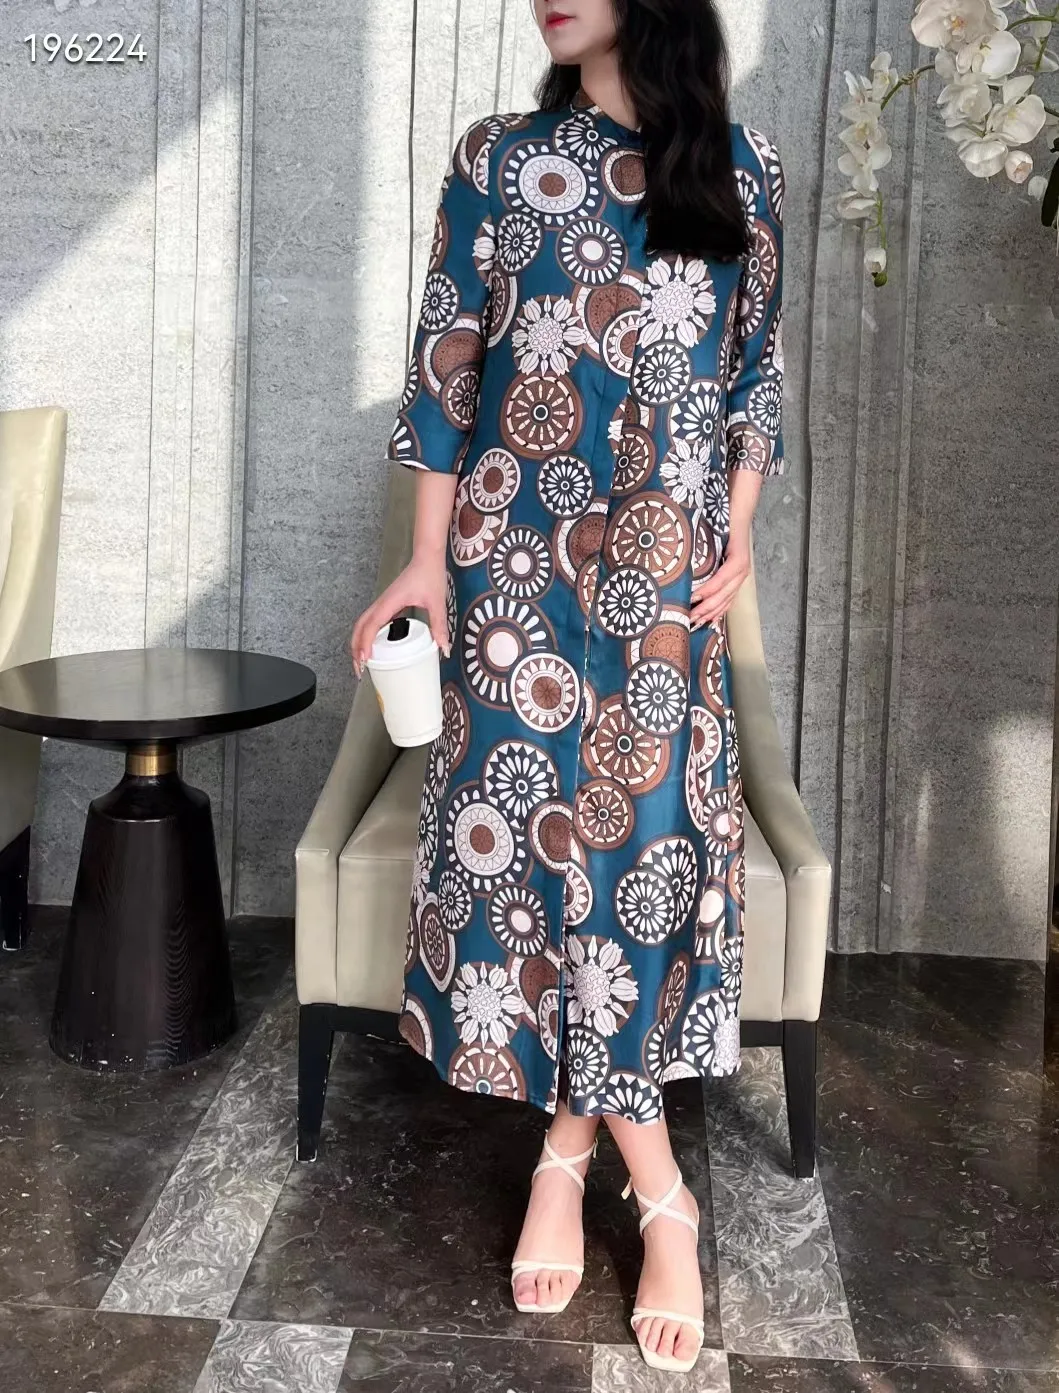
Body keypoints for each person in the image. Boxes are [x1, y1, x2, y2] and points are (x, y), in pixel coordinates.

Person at [351, 0, 785, 1373]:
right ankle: (658, 1194)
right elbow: (447, 366)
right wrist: (426, 560)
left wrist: (738, 529)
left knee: (633, 858)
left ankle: (565, 1152)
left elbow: (753, 377)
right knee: (537, 857)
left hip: (662, 581)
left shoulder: (741, 168)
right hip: (511, 574)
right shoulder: (497, 156)